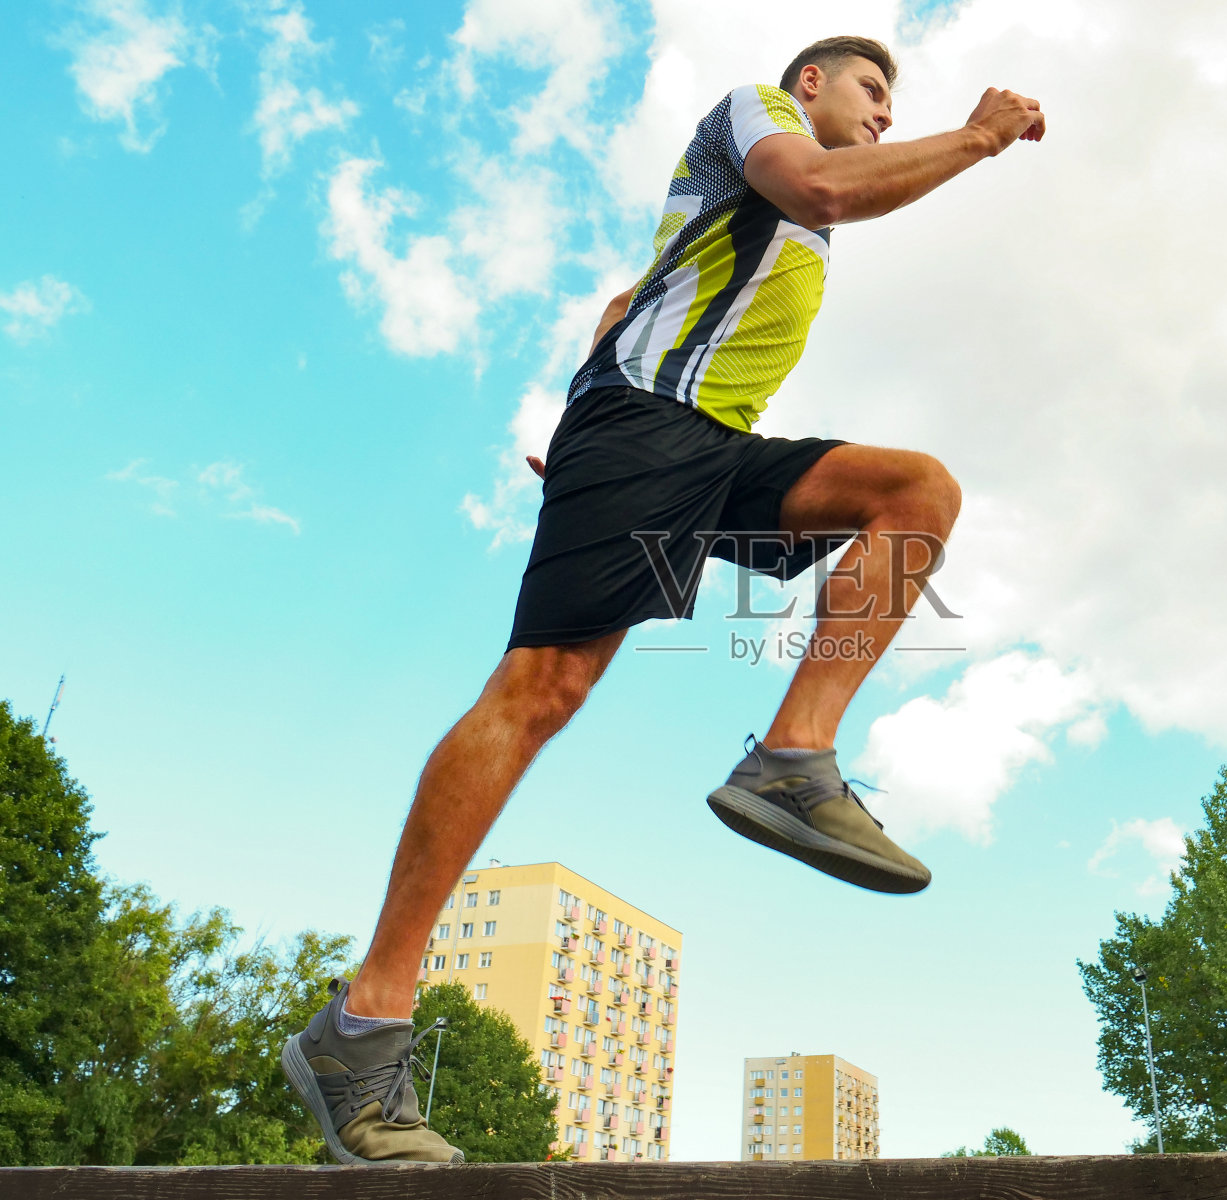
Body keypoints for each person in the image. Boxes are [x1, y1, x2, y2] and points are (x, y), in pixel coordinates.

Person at [281, 35, 1045, 1165]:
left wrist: (571, 419)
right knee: (542, 690)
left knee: (914, 493)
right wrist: (978, 137)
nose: (885, 112)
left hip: (705, 450)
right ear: (809, 87)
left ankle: (793, 758)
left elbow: (626, 299)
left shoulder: (783, 234)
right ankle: (360, 1029)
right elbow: (820, 184)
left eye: (899, 102)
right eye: (873, 90)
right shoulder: (750, 119)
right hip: (645, 427)